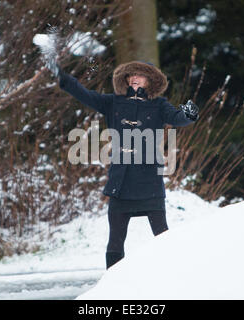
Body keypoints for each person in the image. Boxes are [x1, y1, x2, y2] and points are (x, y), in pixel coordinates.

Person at [47, 59, 198, 269]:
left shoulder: (159, 104)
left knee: (162, 236)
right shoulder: (113, 102)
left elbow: (178, 118)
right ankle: (112, 286)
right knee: (116, 239)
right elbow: (85, 95)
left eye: (140, 74)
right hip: (121, 182)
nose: (135, 78)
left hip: (149, 182)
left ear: (150, 80)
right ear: (126, 79)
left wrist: (189, 114)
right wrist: (63, 77)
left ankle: (171, 277)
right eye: (131, 74)